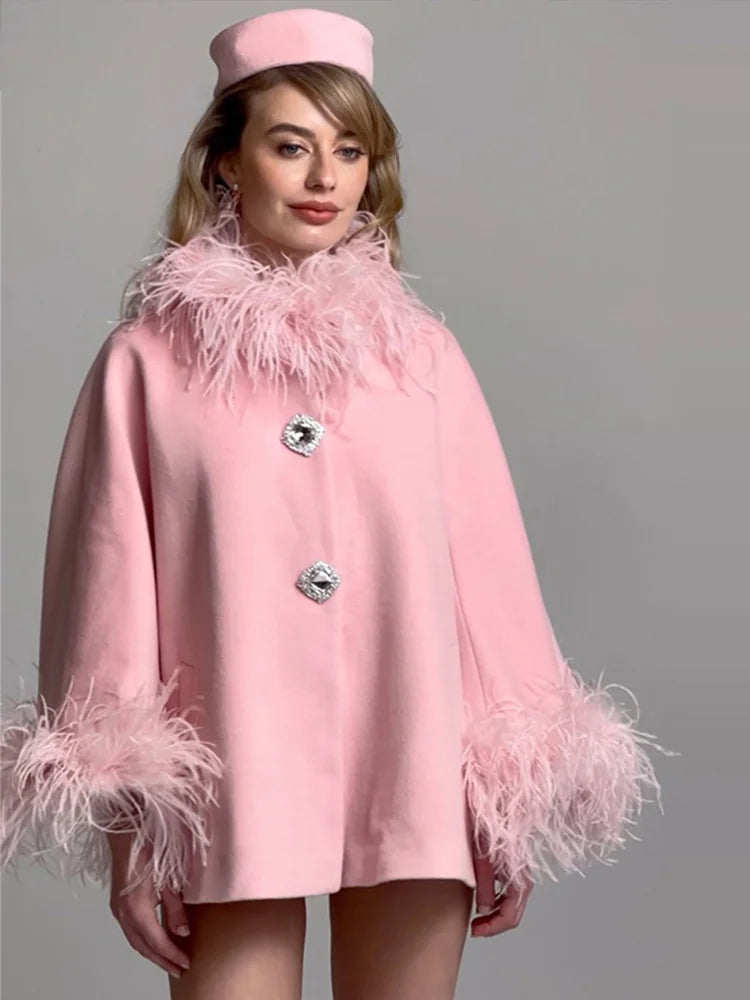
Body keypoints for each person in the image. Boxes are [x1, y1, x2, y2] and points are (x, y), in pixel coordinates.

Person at [0, 8, 676, 999]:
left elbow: (488, 586)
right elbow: (107, 598)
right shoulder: (144, 364)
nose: (325, 177)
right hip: (230, 778)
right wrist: (132, 830)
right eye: (290, 146)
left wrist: (505, 800)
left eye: (349, 149)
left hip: (413, 765)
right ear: (226, 164)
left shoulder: (420, 357)